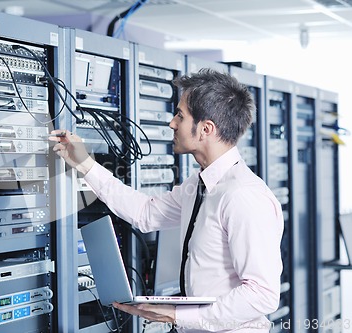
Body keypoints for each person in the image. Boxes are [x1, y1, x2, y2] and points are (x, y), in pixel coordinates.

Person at [50, 68, 284, 332]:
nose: (172, 123)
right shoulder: (199, 185)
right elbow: (146, 213)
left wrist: (177, 315)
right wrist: (85, 163)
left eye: (181, 116)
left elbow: (261, 294)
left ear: (206, 129)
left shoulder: (243, 196)